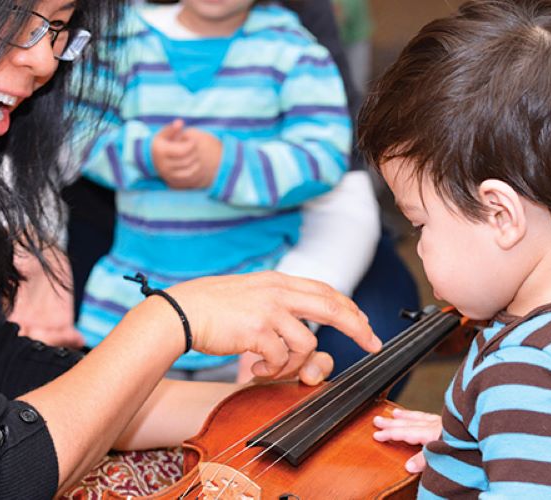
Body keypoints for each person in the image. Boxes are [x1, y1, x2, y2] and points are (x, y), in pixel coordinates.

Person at [0, 0, 383, 497]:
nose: (46, 62)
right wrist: (171, 319)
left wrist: (253, 405)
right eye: (21, 21)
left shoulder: (293, 46)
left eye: (56, 28)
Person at [357, 0, 551, 497]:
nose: (419, 248)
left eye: (420, 224)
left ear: (500, 215)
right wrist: (485, 437)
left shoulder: (527, 373)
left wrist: (514, 414)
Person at [69, 0, 365, 379]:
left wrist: (226, 164)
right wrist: (146, 155)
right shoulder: (122, 40)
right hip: (130, 305)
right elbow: (74, 138)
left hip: (252, 310)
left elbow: (324, 158)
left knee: (242, 429)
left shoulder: (293, 49)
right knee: (125, 426)